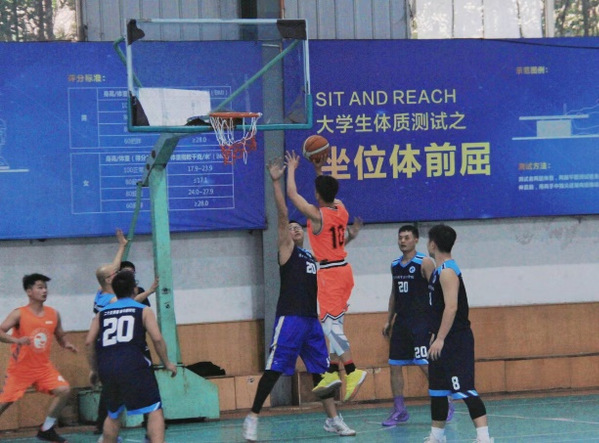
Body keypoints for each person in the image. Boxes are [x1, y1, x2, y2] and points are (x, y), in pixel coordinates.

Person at [242, 157, 355, 442]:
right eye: (290, 228)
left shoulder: (314, 256)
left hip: (311, 321)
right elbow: (283, 215)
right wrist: (276, 182)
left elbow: (334, 245)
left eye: (298, 227)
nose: (294, 229)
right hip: (290, 318)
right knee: (274, 370)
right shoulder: (287, 251)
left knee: (322, 374)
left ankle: (333, 420)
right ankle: (252, 416)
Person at [285, 150, 365, 402]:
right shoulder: (340, 208)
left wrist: (292, 168)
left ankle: (352, 371)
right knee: (334, 325)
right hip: (343, 270)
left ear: (318, 194)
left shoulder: (317, 215)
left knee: (330, 327)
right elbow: (327, 193)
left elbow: (292, 195)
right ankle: (331, 371)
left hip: (330, 274)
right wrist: (319, 170)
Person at [86, 270, 177, 443]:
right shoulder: (143, 310)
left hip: (108, 368)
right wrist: (167, 363)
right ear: (134, 289)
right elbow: (157, 338)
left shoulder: (101, 313)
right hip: (133, 366)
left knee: (113, 414)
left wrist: (94, 370)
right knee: (154, 410)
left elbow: (89, 342)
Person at [424, 225, 493, 443]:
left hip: (455, 340)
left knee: (465, 389)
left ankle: (484, 437)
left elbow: (451, 307)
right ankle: (437, 436)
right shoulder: (438, 270)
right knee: (438, 391)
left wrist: (441, 338)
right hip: (440, 339)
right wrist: (434, 335)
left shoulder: (447, 272)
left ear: (432, 244)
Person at [381, 225, 453, 426]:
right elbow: (394, 294)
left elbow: (436, 291)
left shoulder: (425, 262)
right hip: (402, 322)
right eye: (400, 238)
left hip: (421, 321)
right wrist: (389, 319)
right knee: (395, 365)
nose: (403, 241)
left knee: (423, 362)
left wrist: (436, 322)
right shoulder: (395, 265)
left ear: (415, 240)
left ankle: (445, 401)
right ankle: (399, 410)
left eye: (407, 237)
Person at [0, 273, 78, 443]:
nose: (44, 291)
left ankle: (46, 429)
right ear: (29, 291)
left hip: (43, 368)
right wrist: (15, 340)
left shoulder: (53, 314)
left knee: (64, 390)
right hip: (20, 369)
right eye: (40, 287)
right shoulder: (19, 313)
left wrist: (66, 343)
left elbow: (59, 334)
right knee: (4, 403)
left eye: (45, 287)